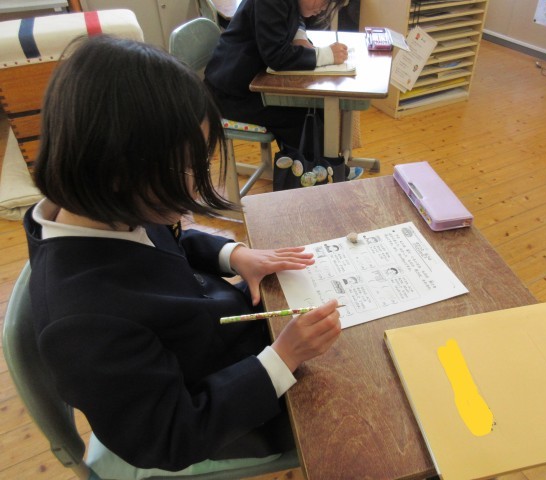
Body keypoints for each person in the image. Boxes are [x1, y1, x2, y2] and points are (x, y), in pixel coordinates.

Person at [24, 34, 342, 475]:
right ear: (116, 171)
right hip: (234, 414)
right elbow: (171, 436)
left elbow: (170, 241)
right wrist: (282, 358)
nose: (198, 182)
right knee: (361, 401)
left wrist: (234, 255)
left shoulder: (106, 211)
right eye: (190, 167)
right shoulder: (82, 324)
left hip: (229, 334)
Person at [204, 0, 363, 181]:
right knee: (300, 115)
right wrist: (325, 55)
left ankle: (326, 170)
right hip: (231, 93)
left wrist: (299, 35)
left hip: (250, 78)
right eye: (325, 2)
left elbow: (292, 16)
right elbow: (276, 55)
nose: (323, 9)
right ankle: (317, 176)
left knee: (316, 104)